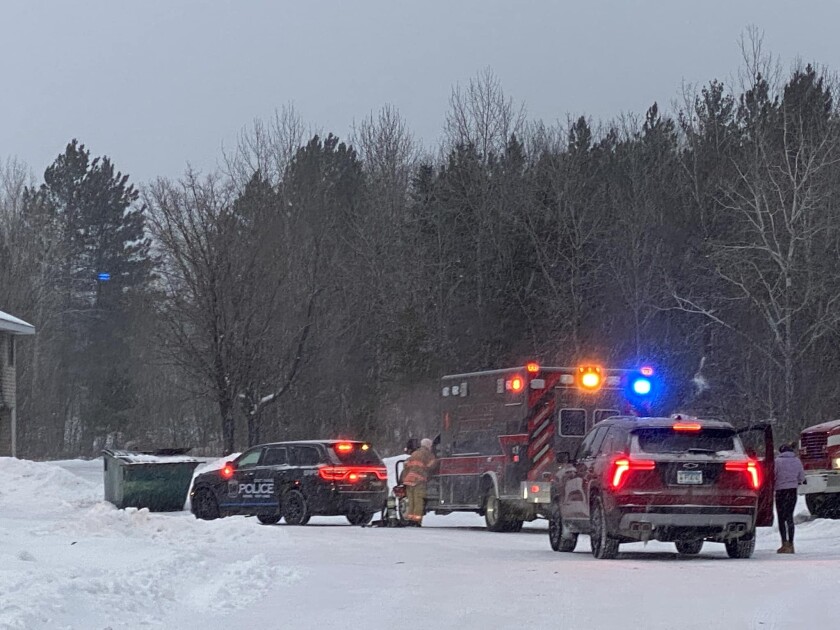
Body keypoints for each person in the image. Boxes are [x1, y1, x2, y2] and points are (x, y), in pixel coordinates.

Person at [774, 442, 805, 554]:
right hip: (792, 491)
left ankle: (784, 543)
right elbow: (801, 477)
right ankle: (791, 544)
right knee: (789, 517)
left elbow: (773, 475)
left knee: (781, 518)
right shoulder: (797, 461)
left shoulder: (777, 462)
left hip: (780, 491)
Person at [398, 437, 436, 526]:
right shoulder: (427, 454)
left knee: (411, 501)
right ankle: (416, 521)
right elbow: (431, 466)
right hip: (419, 480)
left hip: (409, 480)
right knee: (418, 501)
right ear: (428, 446)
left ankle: (410, 519)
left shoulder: (414, 453)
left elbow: (406, 464)